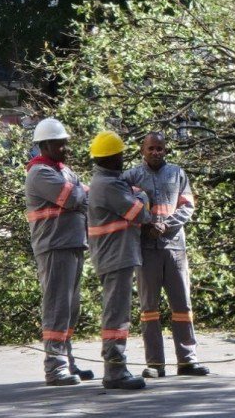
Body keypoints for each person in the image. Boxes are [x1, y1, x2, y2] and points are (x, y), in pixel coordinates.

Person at [125, 132, 210, 377]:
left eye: (159, 148)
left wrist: (166, 225)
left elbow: (187, 206)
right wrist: (146, 225)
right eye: (151, 148)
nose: (155, 152)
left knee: (182, 304)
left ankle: (187, 361)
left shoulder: (177, 173)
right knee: (149, 308)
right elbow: (124, 207)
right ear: (142, 150)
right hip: (145, 249)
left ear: (166, 150)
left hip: (174, 247)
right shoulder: (131, 176)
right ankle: (155, 364)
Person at [24, 117, 93, 386]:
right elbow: (75, 197)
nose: (65, 147)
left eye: (65, 142)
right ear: (45, 145)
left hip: (72, 244)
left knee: (70, 309)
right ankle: (55, 367)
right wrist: (80, 194)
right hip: (54, 247)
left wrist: (82, 194)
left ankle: (68, 361)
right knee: (57, 308)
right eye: (59, 143)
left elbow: (87, 196)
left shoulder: (64, 171)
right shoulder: (40, 173)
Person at [86, 131, 151, 390]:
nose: (123, 159)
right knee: (116, 315)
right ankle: (115, 370)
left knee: (117, 313)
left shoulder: (108, 182)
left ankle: (116, 367)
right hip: (116, 256)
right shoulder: (109, 185)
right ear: (111, 158)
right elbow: (139, 214)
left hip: (115, 255)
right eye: (120, 155)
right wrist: (142, 196)